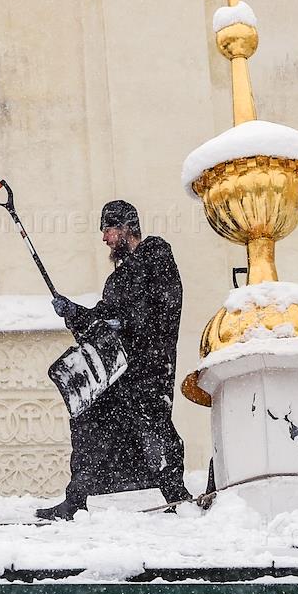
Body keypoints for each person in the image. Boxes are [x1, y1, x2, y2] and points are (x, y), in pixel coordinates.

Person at [38, 200, 191, 520]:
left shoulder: (156, 256)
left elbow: (165, 306)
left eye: (108, 229)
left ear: (125, 228)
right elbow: (101, 321)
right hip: (119, 370)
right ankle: (75, 500)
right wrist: (73, 312)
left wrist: (128, 325)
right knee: (87, 421)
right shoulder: (117, 281)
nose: (104, 238)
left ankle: (178, 497)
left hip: (149, 366)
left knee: (154, 428)